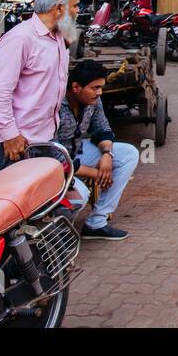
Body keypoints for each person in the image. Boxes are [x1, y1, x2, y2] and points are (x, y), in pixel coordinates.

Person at [0, 0, 80, 175]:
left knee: (53, 199)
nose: (78, 11)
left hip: (42, 138)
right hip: (15, 142)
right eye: (75, 6)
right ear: (59, 9)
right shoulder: (20, 38)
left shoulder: (58, 39)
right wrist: (11, 135)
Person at [57, 59, 138, 241]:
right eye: (95, 88)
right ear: (76, 87)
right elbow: (54, 158)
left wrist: (107, 155)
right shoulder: (55, 106)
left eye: (101, 87)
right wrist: (96, 173)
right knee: (80, 197)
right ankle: (56, 234)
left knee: (128, 154)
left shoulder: (93, 101)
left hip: (77, 151)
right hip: (54, 165)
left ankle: (96, 223)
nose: (99, 92)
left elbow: (102, 129)